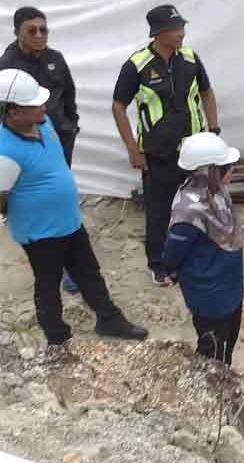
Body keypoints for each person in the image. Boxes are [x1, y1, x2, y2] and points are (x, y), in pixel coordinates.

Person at [0, 69, 147, 345]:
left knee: (88, 272)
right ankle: (57, 338)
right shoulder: (4, 151)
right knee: (48, 283)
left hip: (68, 220)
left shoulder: (43, 124)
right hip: (40, 232)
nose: (43, 106)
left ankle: (109, 319)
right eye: (34, 104)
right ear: (13, 112)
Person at [111, 5, 220, 287]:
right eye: (176, 29)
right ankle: (158, 264)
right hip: (158, 155)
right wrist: (133, 149)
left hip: (193, 152)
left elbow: (207, 92)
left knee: (197, 205)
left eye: (182, 27)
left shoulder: (190, 58)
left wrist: (214, 129)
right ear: (159, 33)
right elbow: (118, 106)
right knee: (159, 211)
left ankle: (192, 253)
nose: (182, 33)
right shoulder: (137, 65)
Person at [0, 6, 81, 294]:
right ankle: (50, 265)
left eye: (43, 29)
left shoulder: (55, 59)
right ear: (17, 32)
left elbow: (68, 94)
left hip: (58, 140)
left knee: (60, 201)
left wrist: (71, 125)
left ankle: (69, 265)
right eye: (32, 30)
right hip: (25, 149)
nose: (39, 35)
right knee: (35, 207)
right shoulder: (7, 67)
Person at [163, 132, 243, 365]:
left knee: (228, 342)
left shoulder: (215, 192)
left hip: (230, 287)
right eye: (225, 166)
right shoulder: (189, 210)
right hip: (210, 295)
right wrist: (170, 270)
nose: (231, 169)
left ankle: (224, 374)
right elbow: (172, 252)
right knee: (213, 350)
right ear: (207, 170)